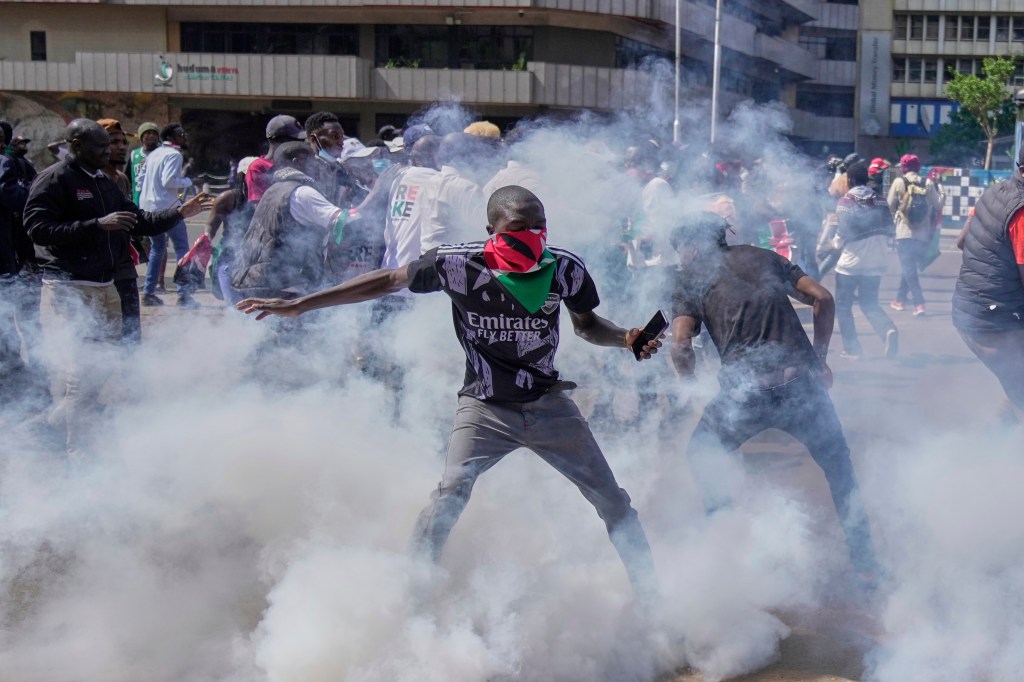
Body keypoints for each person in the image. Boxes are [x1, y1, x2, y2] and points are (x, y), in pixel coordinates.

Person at [237, 185, 660, 602]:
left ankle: (654, 607)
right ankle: (411, 602)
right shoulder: (457, 263)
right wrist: (301, 305)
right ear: (491, 228)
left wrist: (627, 337)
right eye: (518, 227)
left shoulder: (565, 268)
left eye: (539, 225)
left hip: (549, 406)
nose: (531, 235)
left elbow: (586, 326)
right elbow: (387, 279)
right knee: (447, 500)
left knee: (615, 503)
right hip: (484, 408)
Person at [666, 211, 880, 581]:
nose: (679, 257)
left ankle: (725, 555)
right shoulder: (763, 257)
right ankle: (866, 565)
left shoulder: (690, 279)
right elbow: (823, 298)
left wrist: (688, 386)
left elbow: (681, 343)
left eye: (680, 248)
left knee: (702, 453)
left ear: (695, 243)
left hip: (744, 394)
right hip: (801, 385)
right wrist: (820, 359)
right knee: (839, 468)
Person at [23, 119, 210, 458]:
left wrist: (180, 213)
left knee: (106, 366)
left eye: (109, 148)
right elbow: (37, 229)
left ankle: (50, 427)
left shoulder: (104, 182)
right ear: (76, 145)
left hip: (106, 286)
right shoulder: (54, 179)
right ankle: (76, 451)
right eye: (100, 148)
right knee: (82, 371)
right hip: (69, 289)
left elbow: (139, 219)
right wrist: (96, 225)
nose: (108, 154)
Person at [952, 148, 1024, 423]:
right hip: (994, 323)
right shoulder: (1021, 211)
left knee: (1017, 385)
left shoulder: (993, 192)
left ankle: (987, 449)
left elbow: (962, 242)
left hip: (971, 311)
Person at [231, 141, 344, 301]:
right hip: (289, 286)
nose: (318, 168)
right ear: (298, 162)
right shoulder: (302, 192)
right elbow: (342, 222)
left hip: (261, 282)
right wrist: (374, 199)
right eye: (313, 161)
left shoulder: (273, 190)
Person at [825, 161, 898, 360]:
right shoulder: (881, 201)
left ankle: (852, 348)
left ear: (849, 180)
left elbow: (843, 232)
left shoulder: (846, 202)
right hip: (877, 260)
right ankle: (887, 330)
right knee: (869, 302)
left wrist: (833, 244)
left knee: (843, 305)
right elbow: (891, 229)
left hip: (851, 263)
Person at [97, 118, 145, 342]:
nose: (122, 147)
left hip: (124, 266)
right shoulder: (91, 180)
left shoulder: (122, 178)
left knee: (131, 335)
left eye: (124, 142)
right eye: (114, 141)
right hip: (101, 272)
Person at [138, 123, 196, 307]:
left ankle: (148, 293)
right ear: (172, 137)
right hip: (167, 209)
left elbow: (140, 180)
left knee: (157, 250)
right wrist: (188, 181)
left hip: (148, 208)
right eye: (181, 134)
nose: (184, 137)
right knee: (182, 250)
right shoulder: (174, 154)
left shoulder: (153, 154)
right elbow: (168, 181)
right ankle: (184, 295)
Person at [887, 153, 941, 316]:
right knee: (909, 268)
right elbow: (938, 204)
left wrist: (894, 219)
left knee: (908, 268)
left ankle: (919, 303)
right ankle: (899, 300)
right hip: (922, 235)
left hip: (904, 232)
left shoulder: (898, 182)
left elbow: (890, 204)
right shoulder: (928, 183)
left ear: (904, 167)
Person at [205, 156, 256, 305]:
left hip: (257, 260)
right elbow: (211, 225)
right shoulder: (227, 198)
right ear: (241, 176)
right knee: (235, 307)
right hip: (230, 257)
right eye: (252, 175)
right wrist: (205, 240)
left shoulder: (268, 196)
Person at [246, 114, 307, 205]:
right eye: (294, 140)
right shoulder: (258, 167)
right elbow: (260, 207)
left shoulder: (298, 162)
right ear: (275, 140)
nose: (299, 144)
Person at [126, 121, 160, 205]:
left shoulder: (163, 153)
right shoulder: (134, 154)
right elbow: (128, 178)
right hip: (138, 201)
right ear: (141, 137)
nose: (152, 136)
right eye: (148, 133)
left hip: (158, 202)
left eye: (154, 133)